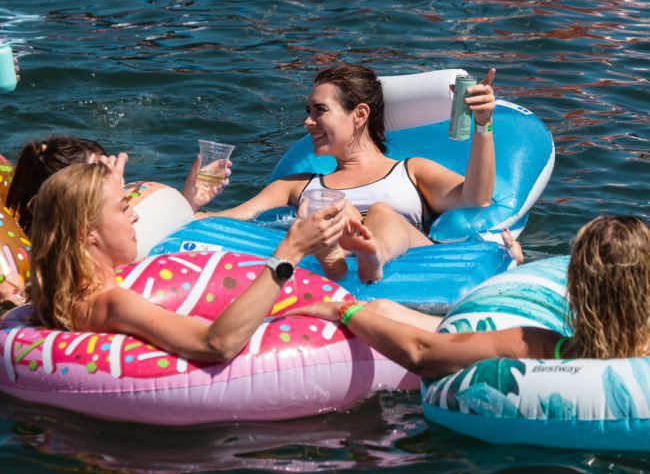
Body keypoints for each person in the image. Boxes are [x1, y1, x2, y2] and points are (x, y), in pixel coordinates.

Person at [200, 62, 506, 282]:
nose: (308, 122)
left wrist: (483, 124)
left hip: (406, 257)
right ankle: (339, 252)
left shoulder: (410, 171)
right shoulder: (296, 186)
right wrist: (190, 201)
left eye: (319, 111)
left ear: (359, 114)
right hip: (335, 251)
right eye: (308, 111)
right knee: (337, 209)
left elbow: (476, 198)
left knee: (382, 213)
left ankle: (370, 252)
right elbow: (232, 218)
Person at [28, 161, 346, 361]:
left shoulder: (58, 295)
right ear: (88, 232)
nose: (136, 215)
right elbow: (216, 345)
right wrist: (288, 253)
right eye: (124, 208)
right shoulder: (112, 303)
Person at [288, 215, 650, 378]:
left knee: (383, 310)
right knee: (387, 309)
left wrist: (345, 311)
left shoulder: (540, 345)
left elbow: (421, 354)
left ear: (576, 285)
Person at [5, 135, 230, 237]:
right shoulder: (69, 252)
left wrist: (190, 200)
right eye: (104, 171)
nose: (118, 175)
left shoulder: (109, 228)